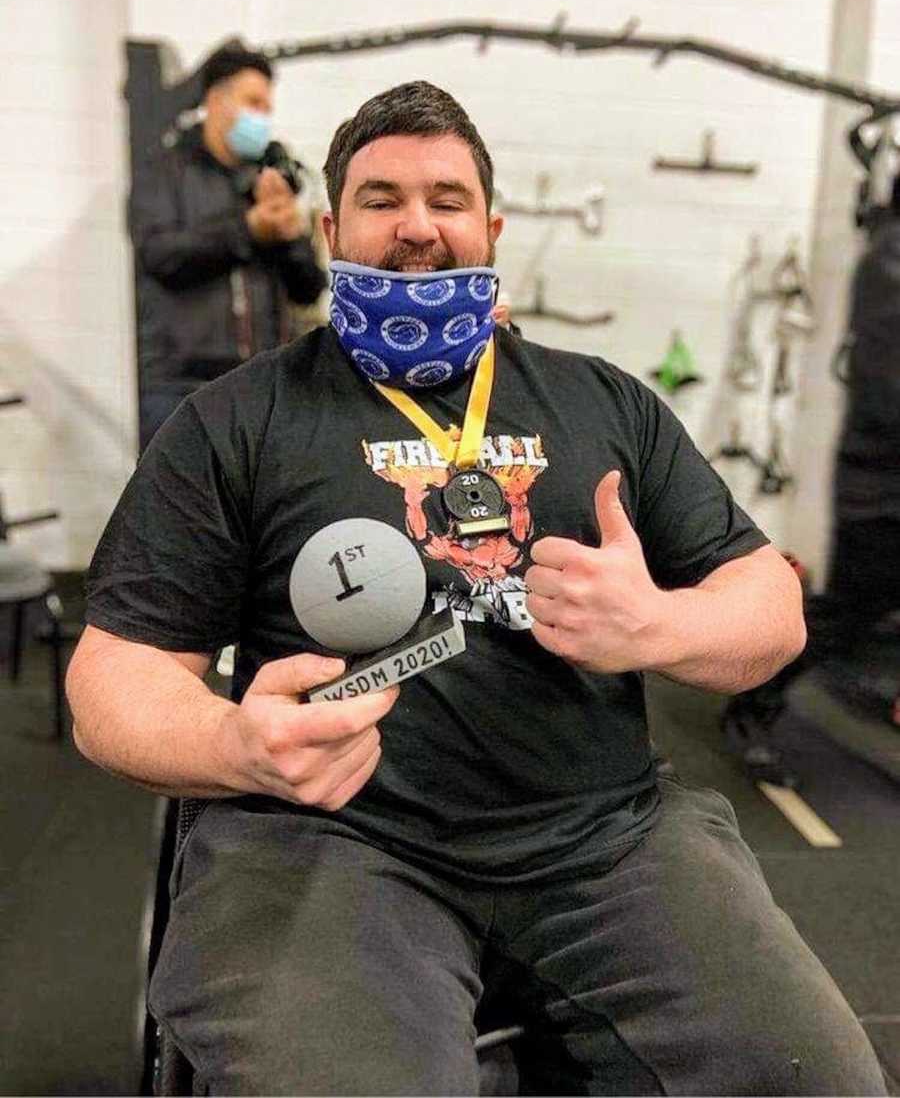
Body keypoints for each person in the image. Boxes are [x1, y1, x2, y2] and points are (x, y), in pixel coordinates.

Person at [67, 81, 885, 1096]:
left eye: (448, 199)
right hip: (333, 840)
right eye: (382, 199)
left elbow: (768, 601)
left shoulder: (605, 401)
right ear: (331, 228)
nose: (418, 227)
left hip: (605, 839)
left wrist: (660, 624)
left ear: (491, 227)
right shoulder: (234, 421)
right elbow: (115, 680)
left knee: (820, 1081)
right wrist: (235, 743)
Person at [723, 211, 900, 786]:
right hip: (884, 487)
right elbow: (886, 389)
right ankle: (754, 699)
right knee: (850, 613)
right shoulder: (892, 259)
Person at [129, 43, 327, 451]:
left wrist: (290, 237)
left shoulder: (269, 178)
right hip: (180, 387)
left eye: (267, 107)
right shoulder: (165, 171)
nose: (263, 117)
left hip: (263, 384)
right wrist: (249, 229)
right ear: (216, 100)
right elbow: (160, 254)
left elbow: (308, 287)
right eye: (253, 102)